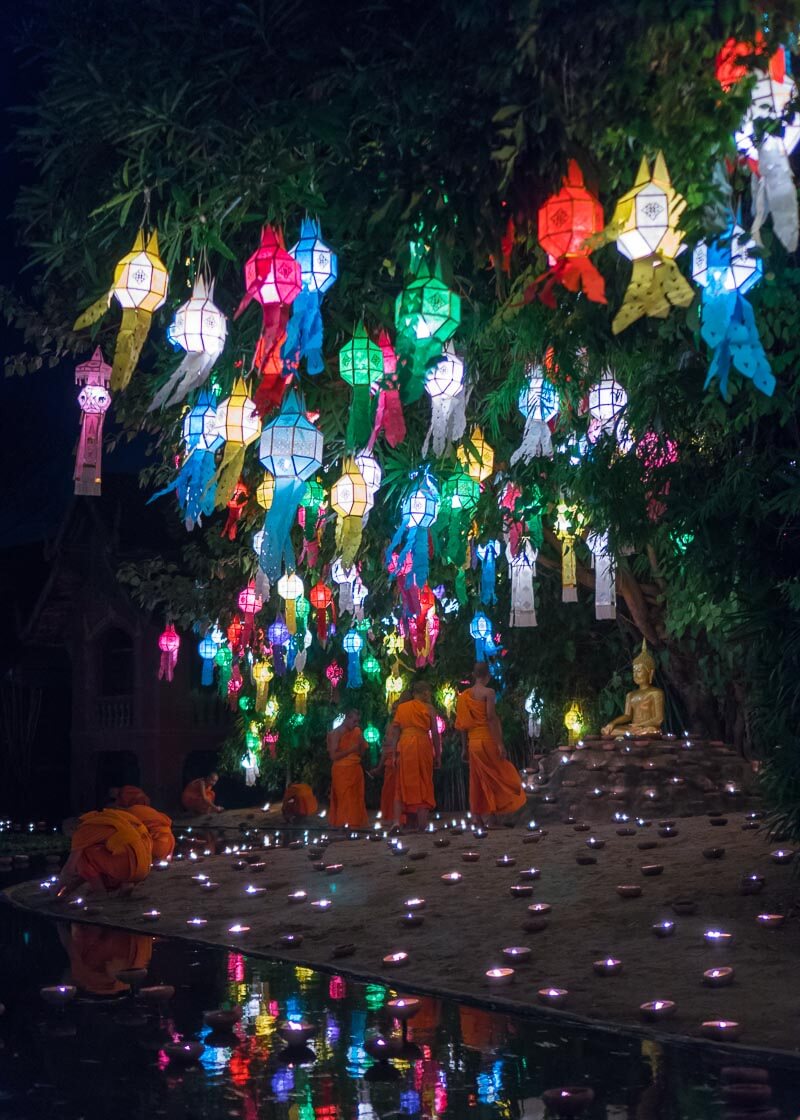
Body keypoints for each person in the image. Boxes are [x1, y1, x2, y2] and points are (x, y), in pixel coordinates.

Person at [455, 661, 526, 828]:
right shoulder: (489, 692)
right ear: (488, 675)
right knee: (497, 776)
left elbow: (462, 725)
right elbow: (490, 717)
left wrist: (464, 748)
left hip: (473, 743)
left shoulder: (464, 696)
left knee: (477, 780)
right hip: (487, 739)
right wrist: (500, 744)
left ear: (474, 675)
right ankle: (492, 817)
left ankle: (477, 817)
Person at [57, 808, 152, 896]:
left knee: (82, 854)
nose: (72, 840)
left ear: (72, 829)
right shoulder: (108, 819)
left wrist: (57, 890)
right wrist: (71, 887)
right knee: (115, 848)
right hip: (144, 867)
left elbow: (69, 870)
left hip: (127, 869)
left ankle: (100, 892)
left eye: (70, 837)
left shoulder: (81, 832)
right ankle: (126, 884)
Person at [387, 680, 441, 832]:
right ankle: (422, 824)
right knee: (423, 781)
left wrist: (393, 754)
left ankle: (397, 822)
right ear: (424, 692)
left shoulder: (402, 708)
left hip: (404, 746)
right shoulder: (429, 708)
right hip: (422, 744)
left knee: (401, 783)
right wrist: (438, 754)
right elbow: (435, 735)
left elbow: (395, 733)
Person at [327, 710, 369, 828]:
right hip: (341, 770)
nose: (356, 724)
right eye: (354, 721)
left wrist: (360, 746)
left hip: (356, 769)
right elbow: (333, 756)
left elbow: (361, 752)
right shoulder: (336, 733)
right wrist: (350, 750)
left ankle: (355, 825)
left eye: (357, 722)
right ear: (346, 718)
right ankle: (344, 825)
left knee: (356, 798)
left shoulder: (357, 732)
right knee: (345, 799)